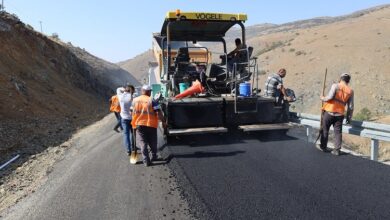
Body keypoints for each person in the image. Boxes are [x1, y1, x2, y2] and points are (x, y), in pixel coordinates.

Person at [318, 73, 354, 156]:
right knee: (338, 132)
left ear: (341, 78)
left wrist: (322, 98)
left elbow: (329, 97)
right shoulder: (350, 91)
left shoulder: (335, 86)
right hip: (340, 114)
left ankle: (323, 146)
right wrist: (349, 117)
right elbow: (351, 107)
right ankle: (337, 150)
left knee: (325, 129)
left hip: (329, 112)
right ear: (348, 81)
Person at [131, 85, 167, 166]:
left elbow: (131, 112)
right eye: (150, 91)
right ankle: (154, 156)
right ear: (149, 92)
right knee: (153, 141)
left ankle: (146, 161)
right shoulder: (152, 100)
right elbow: (158, 112)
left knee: (143, 143)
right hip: (151, 125)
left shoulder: (135, 100)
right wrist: (163, 122)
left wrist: (133, 123)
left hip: (139, 124)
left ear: (142, 91)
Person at [117, 84, 135, 158]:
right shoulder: (132, 97)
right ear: (132, 90)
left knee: (126, 134)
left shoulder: (120, 96)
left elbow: (118, 88)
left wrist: (124, 89)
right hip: (132, 118)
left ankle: (128, 150)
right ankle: (133, 147)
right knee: (133, 134)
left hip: (124, 118)